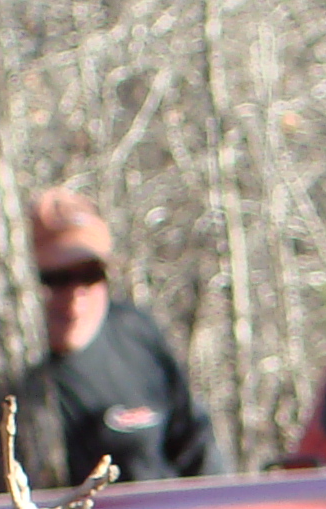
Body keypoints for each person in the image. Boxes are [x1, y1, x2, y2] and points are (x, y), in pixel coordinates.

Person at [14, 190, 228, 487]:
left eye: (90, 274)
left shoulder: (136, 335)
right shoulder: (2, 368)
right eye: (56, 278)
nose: (75, 295)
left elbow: (196, 448)